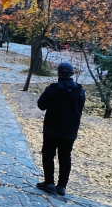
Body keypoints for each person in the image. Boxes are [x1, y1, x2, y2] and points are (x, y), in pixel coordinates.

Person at [35, 61, 85, 197]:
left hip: (52, 128)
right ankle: (62, 186)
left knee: (48, 154)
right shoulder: (80, 90)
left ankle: (49, 183)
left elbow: (41, 105)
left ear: (59, 73)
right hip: (70, 131)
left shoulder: (53, 89)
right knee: (65, 156)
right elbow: (80, 107)